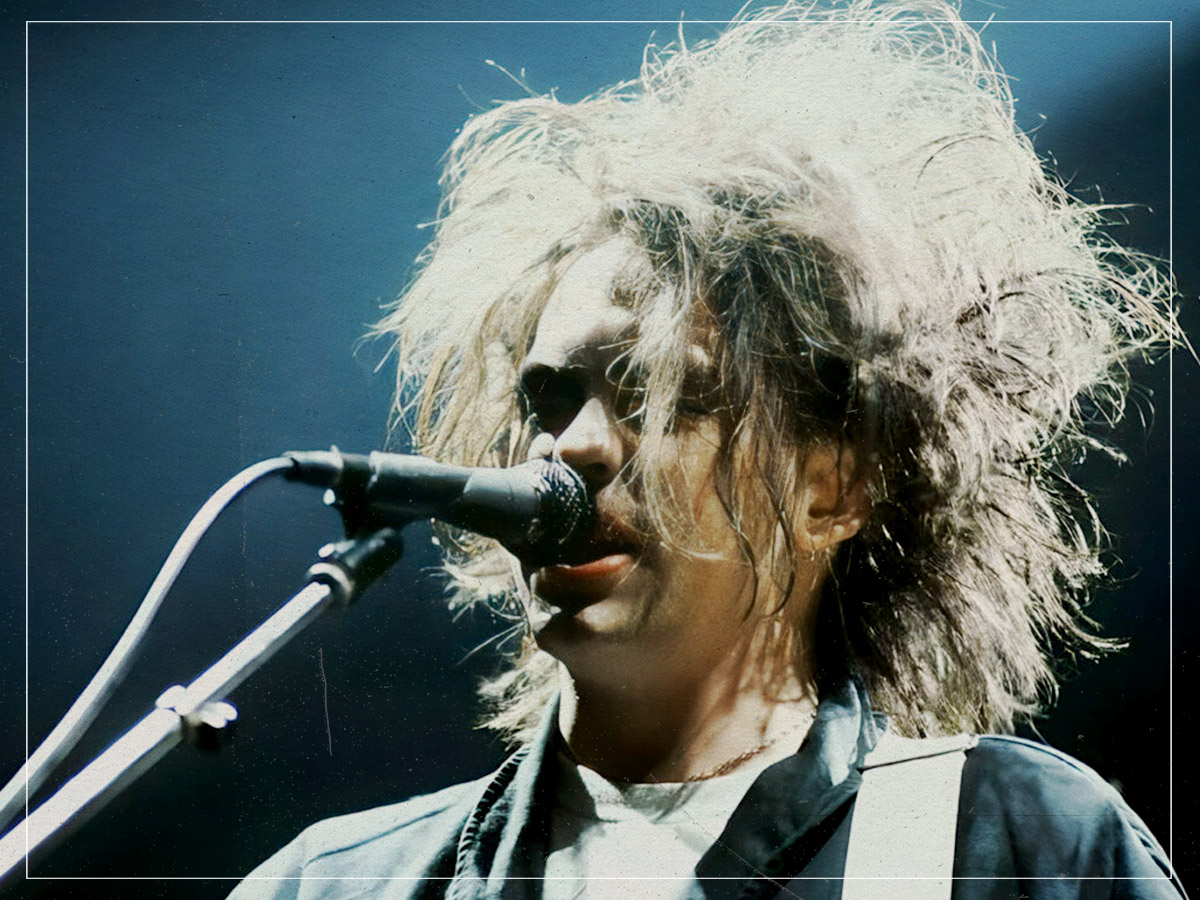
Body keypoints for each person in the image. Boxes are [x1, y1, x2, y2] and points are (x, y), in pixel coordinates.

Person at [230, 1, 1184, 898]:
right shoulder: (335, 883)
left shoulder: (1009, 845)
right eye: (549, 398)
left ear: (833, 489)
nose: (574, 447)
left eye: (662, 398)